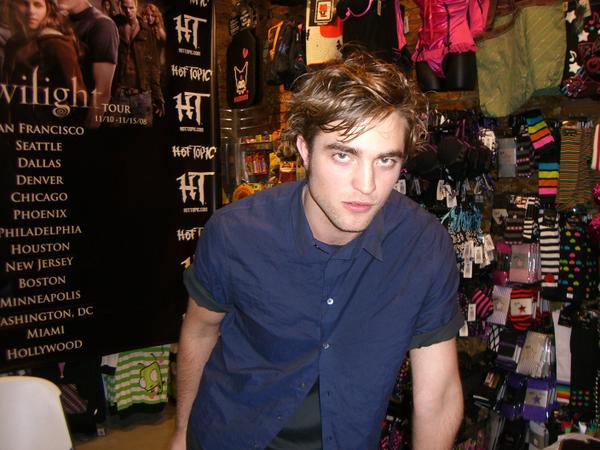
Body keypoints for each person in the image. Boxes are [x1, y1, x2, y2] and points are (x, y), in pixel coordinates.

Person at [170, 50, 464, 450]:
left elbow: (439, 391)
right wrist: (182, 432)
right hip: (228, 435)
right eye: (343, 155)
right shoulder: (235, 232)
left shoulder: (423, 247)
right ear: (305, 150)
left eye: (385, 161)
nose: (366, 185)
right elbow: (200, 329)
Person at [3, 0, 86, 123]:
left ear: (48, 9)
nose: (31, 11)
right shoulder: (14, 43)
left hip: (47, 127)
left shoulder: (56, 44)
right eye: (25, 4)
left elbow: (78, 98)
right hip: (15, 125)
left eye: (37, 5)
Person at [57, 0, 118, 128]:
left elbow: (102, 92)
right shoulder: (60, 22)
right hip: (57, 120)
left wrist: (87, 132)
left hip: (79, 123)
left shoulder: (102, 25)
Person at [112, 0, 164, 125]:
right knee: (112, 134)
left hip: (142, 95)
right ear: (120, 7)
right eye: (125, 8)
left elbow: (153, 65)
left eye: (131, 8)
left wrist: (158, 96)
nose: (128, 11)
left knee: (143, 135)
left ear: (137, 7)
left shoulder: (146, 31)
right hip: (120, 93)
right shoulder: (114, 26)